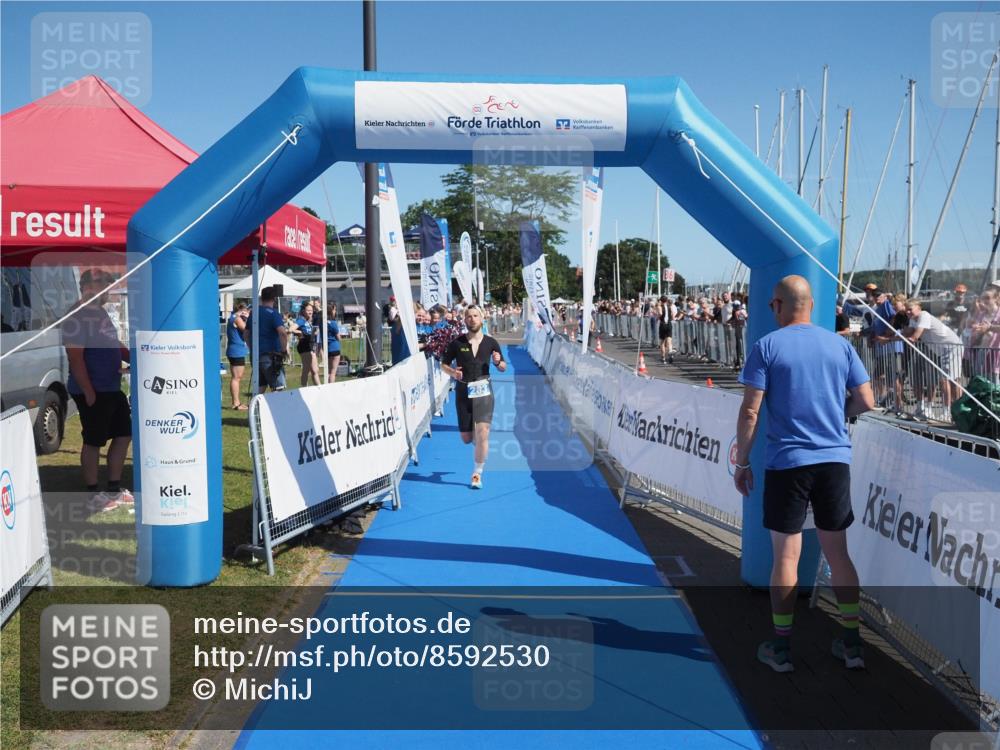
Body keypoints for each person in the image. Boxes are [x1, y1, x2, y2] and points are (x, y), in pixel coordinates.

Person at [735, 275, 874, 673]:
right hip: (834, 461)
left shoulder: (766, 346)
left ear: (777, 305)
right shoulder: (840, 345)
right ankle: (851, 645)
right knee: (838, 553)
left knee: (786, 556)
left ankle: (780, 649)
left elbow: (750, 412)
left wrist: (742, 462)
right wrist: (834, 416)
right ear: (811, 305)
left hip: (788, 463)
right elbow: (866, 400)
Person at [62, 270, 134, 512]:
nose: (109, 289)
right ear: (88, 286)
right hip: (93, 390)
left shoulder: (100, 312)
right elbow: (75, 357)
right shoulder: (77, 315)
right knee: (93, 441)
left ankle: (113, 489)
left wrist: (133, 356)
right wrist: (88, 391)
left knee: (124, 434)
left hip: (111, 387)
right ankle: (93, 495)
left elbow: (113, 344)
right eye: (105, 284)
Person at [439, 306, 506, 489]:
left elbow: (503, 367)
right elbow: (443, 365)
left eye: (476, 316)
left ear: (482, 319)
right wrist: (453, 372)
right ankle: (477, 443)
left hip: (484, 393)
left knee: (483, 433)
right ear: (464, 320)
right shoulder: (457, 343)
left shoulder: (491, 342)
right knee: (467, 438)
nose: (472, 319)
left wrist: (498, 361)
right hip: (463, 393)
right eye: (469, 316)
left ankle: (477, 473)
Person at [903, 299, 963, 420]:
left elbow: (916, 335)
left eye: (911, 309)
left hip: (951, 347)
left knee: (947, 380)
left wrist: (912, 338)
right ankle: (955, 411)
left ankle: (949, 412)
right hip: (942, 351)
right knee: (950, 379)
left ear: (918, 308)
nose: (908, 312)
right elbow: (908, 332)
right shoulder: (912, 319)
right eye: (907, 310)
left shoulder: (924, 315)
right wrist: (889, 338)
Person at [244, 286, 288, 394]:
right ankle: (276, 410)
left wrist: (252, 348)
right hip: (271, 356)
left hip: (256, 356)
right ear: (274, 299)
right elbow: (282, 333)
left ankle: (256, 410)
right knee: (278, 387)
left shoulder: (253, 313)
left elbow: (246, 334)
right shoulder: (273, 313)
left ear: (261, 298)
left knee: (260, 387)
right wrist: (283, 350)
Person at [226, 303, 250, 410]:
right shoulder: (236, 318)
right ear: (241, 310)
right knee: (236, 378)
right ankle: (236, 403)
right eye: (245, 311)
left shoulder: (233, 318)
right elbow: (246, 329)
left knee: (237, 377)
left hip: (235, 350)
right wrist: (248, 318)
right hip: (236, 351)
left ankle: (237, 402)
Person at [295, 301, 321, 387]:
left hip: (310, 346)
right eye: (308, 310)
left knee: (314, 370)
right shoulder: (301, 320)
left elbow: (310, 333)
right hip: (304, 346)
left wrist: (314, 333)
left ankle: (317, 388)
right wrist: (302, 333)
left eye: (311, 310)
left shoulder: (308, 321)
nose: (310, 312)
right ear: (303, 311)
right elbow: (291, 329)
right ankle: (312, 388)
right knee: (309, 369)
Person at [325, 302, 342, 382]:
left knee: (328, 371)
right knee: (333, 372)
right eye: (334, 310)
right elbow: (338, 337)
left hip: (326, 348)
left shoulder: (323, 322)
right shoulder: (333, 323)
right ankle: (331, 389)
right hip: (334, 348)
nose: (335, 312)